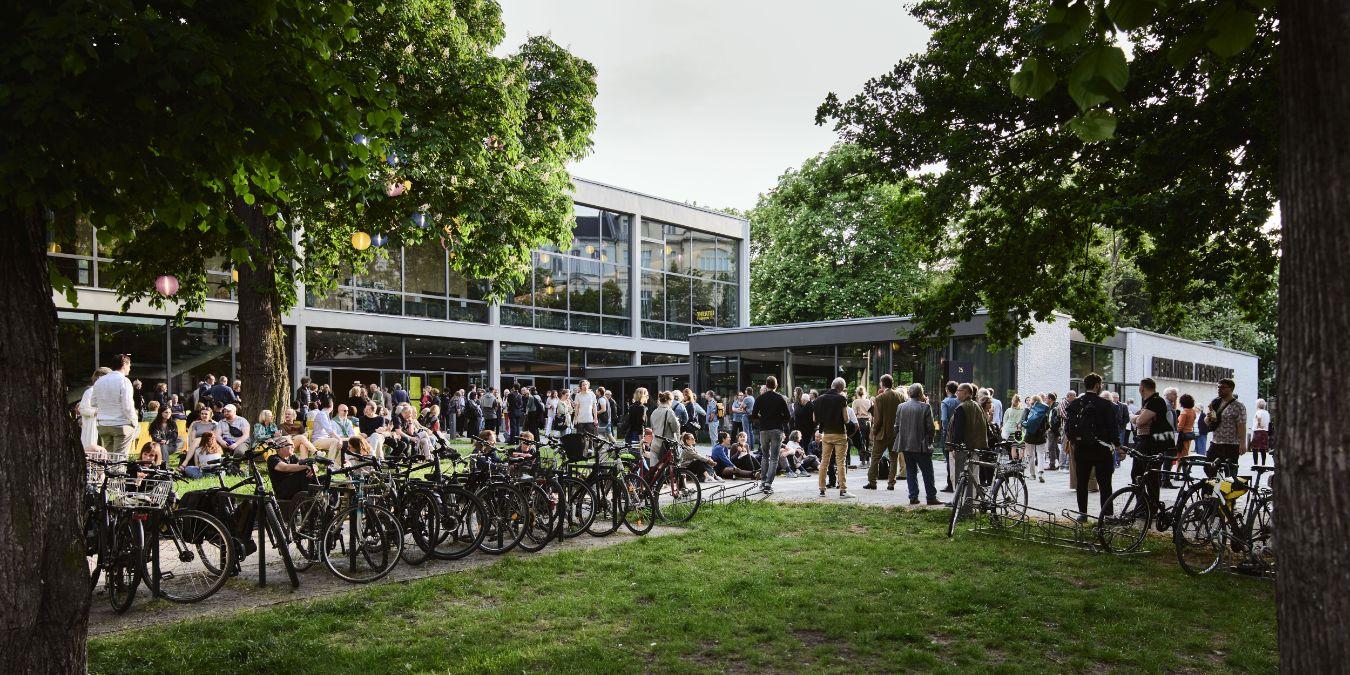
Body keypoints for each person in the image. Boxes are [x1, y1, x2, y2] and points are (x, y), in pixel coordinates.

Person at [1064, 373, 1119, 520]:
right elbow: (1113, 428)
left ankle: (1083, 514)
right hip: (1102, 449)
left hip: (1082, 449)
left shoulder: (1075, 404)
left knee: (1082, 482)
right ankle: (1107, 515)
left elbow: (1068, 429)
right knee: (1105, 483)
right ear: (1097, 385)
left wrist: (1076, 441)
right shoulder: (1106, 405)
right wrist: (1118, 446)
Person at [1130, 377, 1176, 510]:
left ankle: (1149, 506)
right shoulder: (1150, 401)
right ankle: (1146, 505)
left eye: (1139, 386)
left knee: (1147, 475)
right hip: (1148, 443)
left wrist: (1132, 417)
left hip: (1151, 444)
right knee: (1142, 475)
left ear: (1142, 387)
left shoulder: (1155, 401)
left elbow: (1140, 421)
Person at [894, 383, 939, 505]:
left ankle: (913, 496)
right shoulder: (925, 407)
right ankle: (931, 497)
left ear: (909, 393)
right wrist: (930, 441)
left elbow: (896, 426)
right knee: (927, 472)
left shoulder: (901, 407)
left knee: (911, 470)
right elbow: (930, 428)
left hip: (906, 445)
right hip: (921, 445)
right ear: (920, 393)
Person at [947, 383, 991, 507]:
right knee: (974, 474)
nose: (957, 393)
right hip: (975, 447)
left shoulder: (962, 407)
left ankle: (960, 502)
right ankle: (973, 501)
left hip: (964, 448)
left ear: (966, 392)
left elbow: (958, 430)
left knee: (958, 476)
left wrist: (955, 447)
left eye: (959, 391)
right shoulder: (977, 406)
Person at [749, 376, 791, 495]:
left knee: (764, 456)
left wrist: (762, 419)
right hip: (776, 429)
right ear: (776, 385)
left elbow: (754, 415)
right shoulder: (780, 398)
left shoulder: (760, 398)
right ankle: (768, 484)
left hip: (764, 430)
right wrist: (779, 419)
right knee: (774, 458)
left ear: (766, 385)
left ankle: (762, 482)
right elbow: (788, 416)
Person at [812, 378, 852, 499]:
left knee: (824, 461)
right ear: (841, 388)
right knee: (841, 462)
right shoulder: (841, 399)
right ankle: (843, 490)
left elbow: (814, 419)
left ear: (832, 385)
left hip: (826, 434)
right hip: (840, 433)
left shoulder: (819, 399)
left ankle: (822, 489)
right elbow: (846, 418)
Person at [91, 353, 138, 457]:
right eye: (129, 365)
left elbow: (93, 402)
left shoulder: (99, 381)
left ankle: (108, 473)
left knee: (109, 458)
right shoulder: (124, 381)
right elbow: (127, 406)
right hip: (121, 424)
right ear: (124, 364)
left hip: (103, 425)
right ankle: (118, 472)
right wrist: (135, 421)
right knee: (119, 459)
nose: (129, 368)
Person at [866, 375, 903, 490]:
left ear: (882, 383)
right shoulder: (900, 396)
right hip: (895, 433)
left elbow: (878, 419)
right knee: (893, 458)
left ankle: (872, 482)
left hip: (882, 433)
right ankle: (891, 483)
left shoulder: (880, 398)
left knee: (875, 458)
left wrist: (874, 432)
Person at [1205, 378, 1248, 478]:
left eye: (1222, 387)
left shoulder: (1238, 406)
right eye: (1218, 387)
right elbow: (1207, 421)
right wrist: (1210, 418)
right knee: (1208, 467)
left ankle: (1227, 492)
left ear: (1231, 389)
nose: (1219, 389)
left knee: (1230, 472)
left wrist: (1242, 444)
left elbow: (1241, 425)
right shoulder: (1215, 402)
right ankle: (1211, 490)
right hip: (1215, 442)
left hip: (1231, 444)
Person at [268, 439, 319, 503]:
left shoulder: (292, 457)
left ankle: (317, 498)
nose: (293, 447)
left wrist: (313, 468)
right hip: (283, 491)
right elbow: (285, 467)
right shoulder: (272, 458)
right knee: (304, 471)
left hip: (294, 487)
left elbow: (302, 464)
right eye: (291, 445)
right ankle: (309, 500)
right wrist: (307, 466)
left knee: (320, 477)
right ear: (280, 447)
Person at [78, 367, 112, 450]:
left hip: (106, 429)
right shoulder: (90, 392)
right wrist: (98, 411)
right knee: (92, 455)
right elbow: (82, 409)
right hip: (93, 428)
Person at [648, 391, 682, 467]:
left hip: (655, 442)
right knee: (668, 467)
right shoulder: (669, 412)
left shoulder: (654, 412)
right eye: (672, 401)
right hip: (666, 444)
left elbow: (652, 427)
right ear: (668, 400)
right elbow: (675, 428)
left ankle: (652, 478)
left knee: (654, 468)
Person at [939, 381, 960, 492]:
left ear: (947, 390)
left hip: (948, 434)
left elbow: (944, 420)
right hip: (959, 432)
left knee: (949, 459)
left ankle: (950, 484)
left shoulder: (945, 402)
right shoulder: (960, 401)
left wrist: (946, 431)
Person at [147, 404, 181, 468]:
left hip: (171, 446)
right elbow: (154, 436)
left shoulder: (173, 424)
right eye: (166, 412)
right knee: (162, 446)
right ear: (161, 413)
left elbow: (174, 436)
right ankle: (164, 466)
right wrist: (160, 440)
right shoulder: (155, 424)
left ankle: (165, 466)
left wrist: (167, 441)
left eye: (169, 412)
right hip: (159, 445)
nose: (168, 414)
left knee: (163, 446)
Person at [1251, 398, 1271, 466]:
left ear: (1258, 405)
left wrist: (1259, 425)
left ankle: (1255, 464)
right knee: (1263, 449)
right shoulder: (1267, 412)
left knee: (1255, 448)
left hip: (1258, 431)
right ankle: (1263, 464)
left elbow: (1259, 417)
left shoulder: (1258, 411)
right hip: (1265, 431)